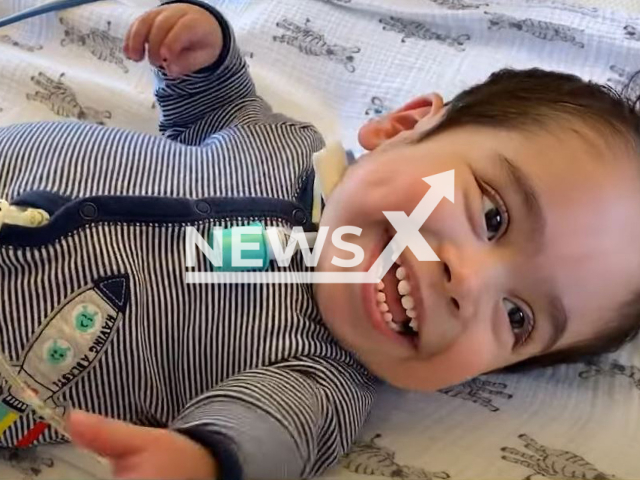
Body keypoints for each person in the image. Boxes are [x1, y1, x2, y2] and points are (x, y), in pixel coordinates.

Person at [1, 1, 639, 479]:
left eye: (517, 316)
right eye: (494, 216)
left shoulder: (321, 382)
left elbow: (263, 435)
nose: (469, 283)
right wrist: (205, 52)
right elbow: (220, 113)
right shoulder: (289, 147)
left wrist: (202, 461)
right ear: (403, 127)